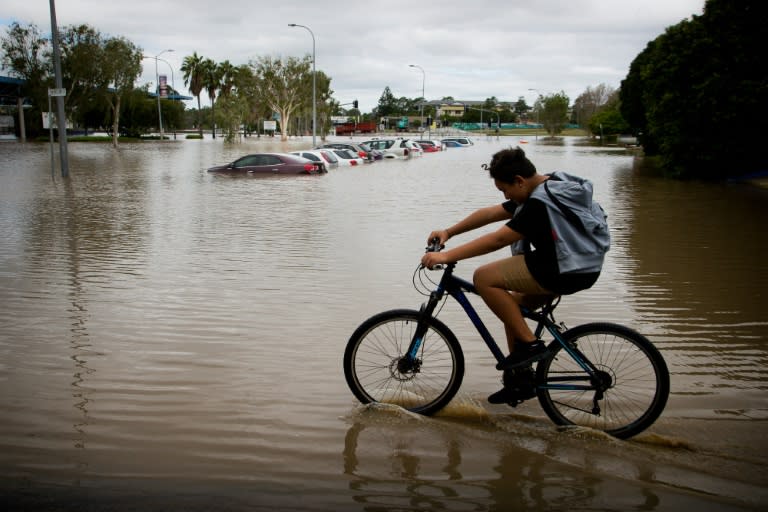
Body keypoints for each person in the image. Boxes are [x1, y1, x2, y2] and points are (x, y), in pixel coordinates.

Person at [421, 147, 609, 405]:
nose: (505, 196)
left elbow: (497, 239)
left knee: (484, 277)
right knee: (513, 305)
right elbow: (490, 213)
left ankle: (531, 346)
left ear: (519, 180)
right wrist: (449, 232)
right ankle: (519, 381)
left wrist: (446, 256)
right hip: (580, 266)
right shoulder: (549, 186)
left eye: (505, 190)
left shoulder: (538, 205)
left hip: (563, 268)